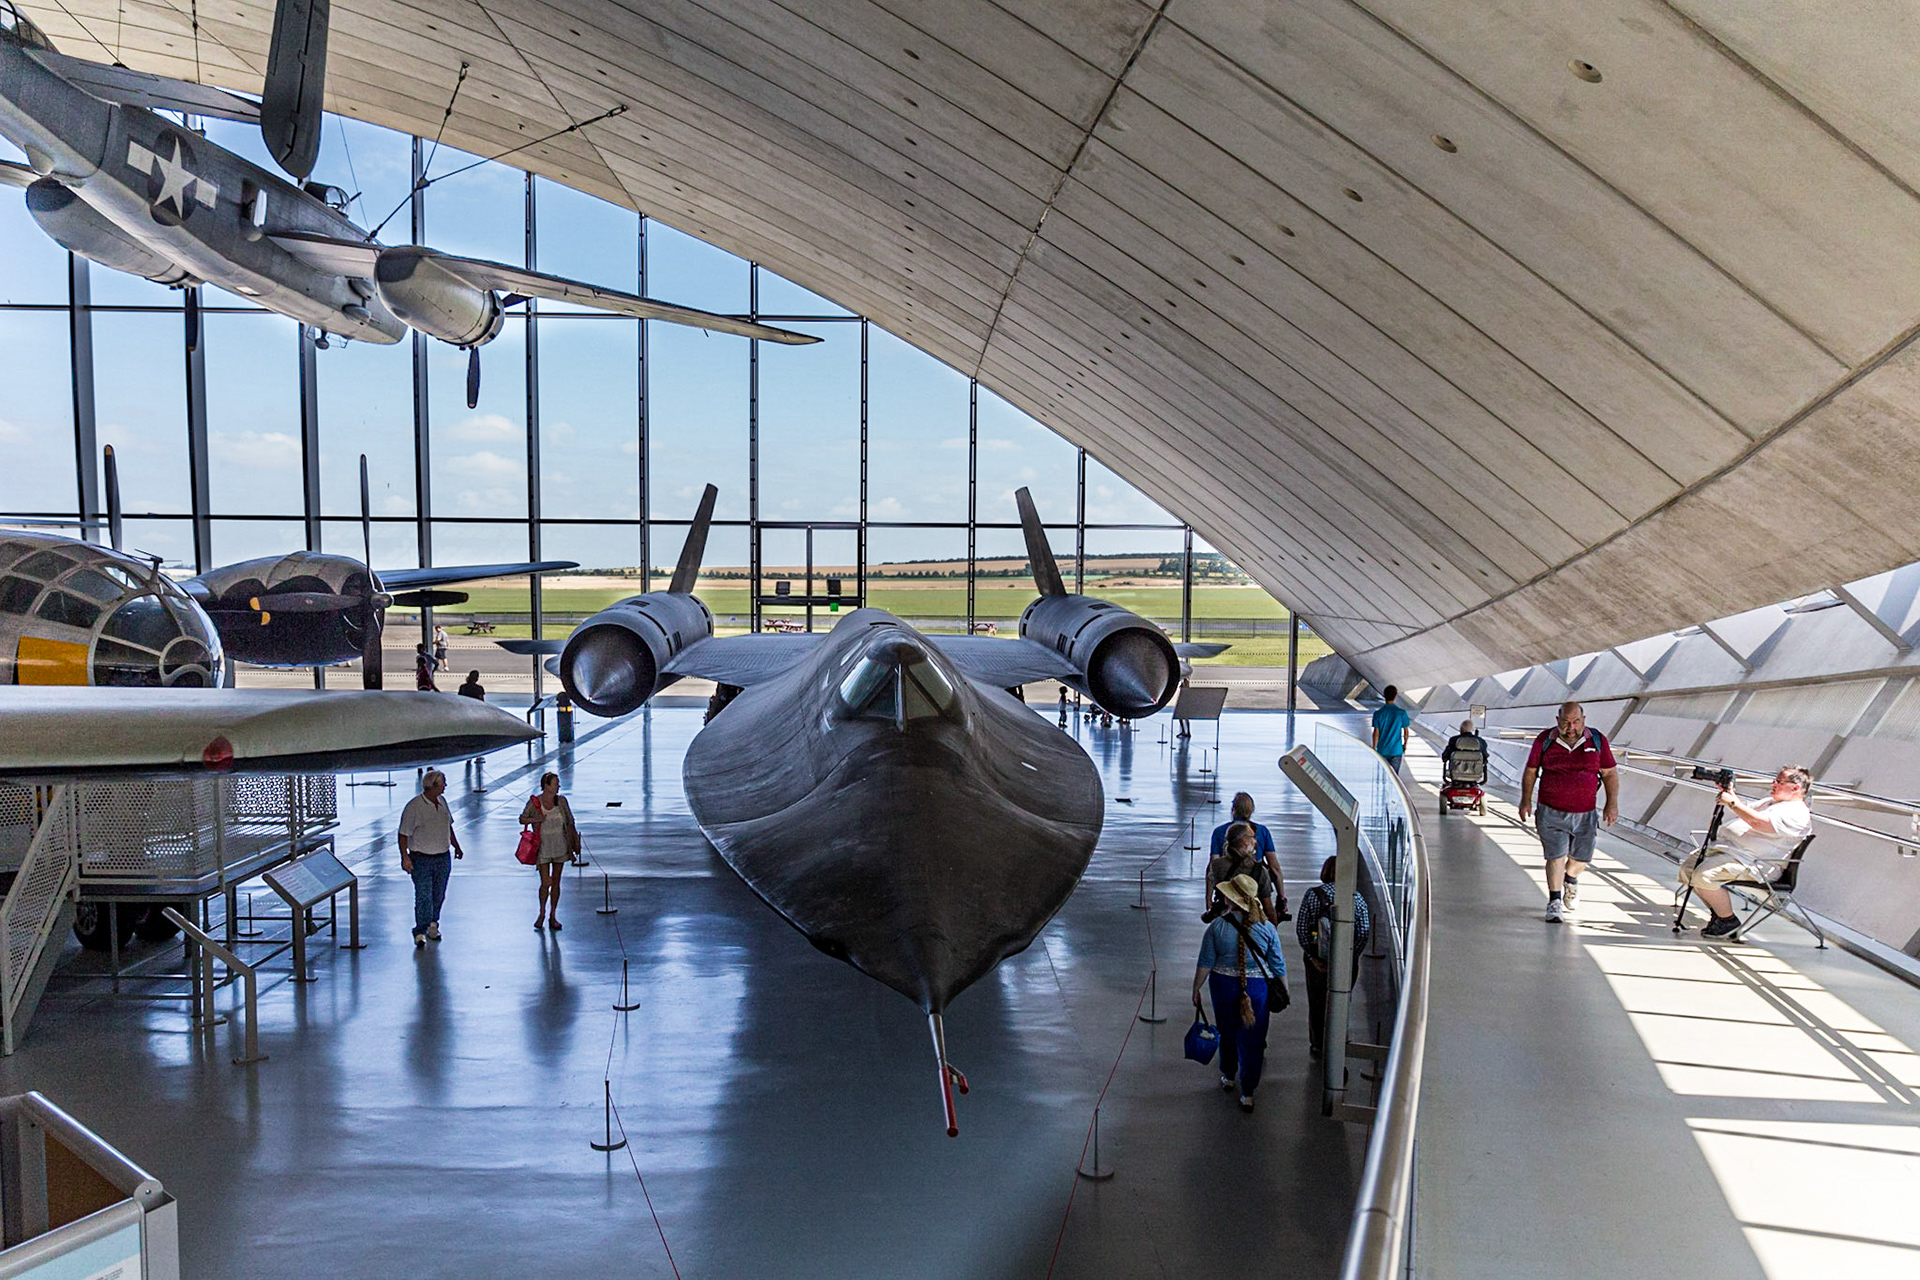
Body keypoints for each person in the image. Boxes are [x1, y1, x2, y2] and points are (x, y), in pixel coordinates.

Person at [1678, 766, 1813, 939]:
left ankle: (1728, 920)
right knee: (1688, 869)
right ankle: (1718, 914)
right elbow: (1744, 809)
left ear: (1795, 787)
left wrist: (1731, 802)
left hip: (1755, 863)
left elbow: (1758, 822)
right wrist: (1729, 793)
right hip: (1732, 852)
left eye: (1779, 782)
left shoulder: (1797, 812)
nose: (1773, 784)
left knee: (1704, 875)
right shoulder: (1771, 802)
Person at [1191, 874, 1287, 1113]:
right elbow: (1278, 964)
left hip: (1222, 985)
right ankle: (1248, 1092)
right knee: (1253, 1038)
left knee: (1227, 1031)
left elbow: (1205, 962)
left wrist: (1196, 988)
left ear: (1230, 899)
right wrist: (1284, 990)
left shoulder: (1217, 928)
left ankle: (1228, 1074)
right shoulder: (1267, 928)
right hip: (1257, 989)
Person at [1520, 701, 1619, 923]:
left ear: (1584, 720)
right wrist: (1525, 800)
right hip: (1551, 811)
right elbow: (1531, 771)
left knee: (1580, 859)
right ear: (1558, 721)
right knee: (1555, 856)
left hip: (1585, 813)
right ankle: (1554, 902)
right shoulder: (1545, 740)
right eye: (1566, 722)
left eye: (1576, 722)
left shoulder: (1597, 740)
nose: (1571, 727)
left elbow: (1610, 774)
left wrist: (1611, 804)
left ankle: (1571, 879)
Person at [1295, 856, 1372, 1059]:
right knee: (1341, 1000)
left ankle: (1318, 1043)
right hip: (1346, 961)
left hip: (1316, 962)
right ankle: (1338, 1040)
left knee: (1318, 1002)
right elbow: (1363, 933)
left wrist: (1313, 957)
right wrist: (1349, 958)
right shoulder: (1357, 899)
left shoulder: (1313, 895)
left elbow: (1302, 929)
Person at [397, 769, 464, 946]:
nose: (445, 786)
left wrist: (456, 846)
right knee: (423, 895)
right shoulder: (414, 807)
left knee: (439, 894)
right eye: (443, 783)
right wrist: (405, 857)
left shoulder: (442, 802)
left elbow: (448, 826)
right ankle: (420, 930)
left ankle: (433, 924)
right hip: (421, 858)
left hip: (442, 857)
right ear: (433, 786)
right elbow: (403, 834)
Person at [519, 771, 581, 931]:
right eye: (555, 783)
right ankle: (542, 912)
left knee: (556, 882)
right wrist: (536, 820)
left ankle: (553, 914)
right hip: (543, 848)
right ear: (546, 786)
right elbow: (522, 818)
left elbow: (570, 822)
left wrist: (575, 842)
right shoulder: (535, 802)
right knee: (545, 882)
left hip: (560, 846)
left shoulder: (561, 802)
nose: (558, 786)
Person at [1210, 792, 1288, 919]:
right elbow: (1275, 868)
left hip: (1228, 891)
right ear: (1251, 810)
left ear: (1233, 809)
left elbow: (1213, 865)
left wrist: (1208, 899)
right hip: (1255, 885)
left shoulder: (1219, 832)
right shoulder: (1262, 831)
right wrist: (1281, 897)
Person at [1206, 822, 1276, 923]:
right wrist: (1272, 928)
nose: (1255, 841)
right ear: (1245, 841)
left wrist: (1208, 899)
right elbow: (1268, 909)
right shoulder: (1260, 871)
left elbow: (1211, 884)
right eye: (1253, 837)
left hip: (1224, 921)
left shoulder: (1217, 866)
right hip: (1253, 923)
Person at [1370, 685, 1411, 774]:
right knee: (1394, 776)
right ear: (1395, 696)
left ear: (1384, 695)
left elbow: (1376, 733)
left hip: (1382, 750)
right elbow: (1406, 732)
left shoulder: (1378, 713)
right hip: (1396, 750)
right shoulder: (1401, 713)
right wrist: (1405, 745)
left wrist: (1374, 747)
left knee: (1382, 774)